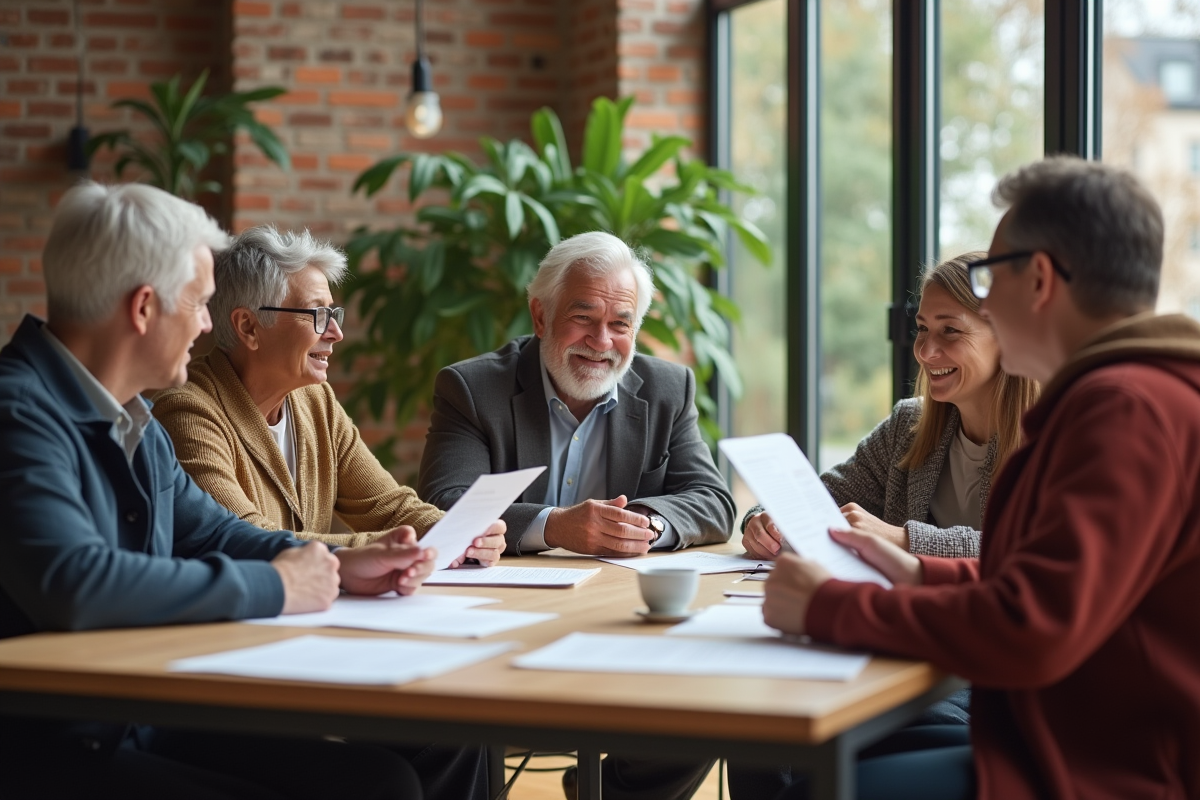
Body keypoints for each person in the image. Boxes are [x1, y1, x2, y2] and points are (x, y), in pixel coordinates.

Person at [0, 182, 488, 800]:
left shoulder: (132, 421)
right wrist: (279, 585)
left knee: (382, 781)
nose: (208, 324)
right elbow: (74, 582)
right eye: (198, 303)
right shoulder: (18, 412)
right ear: (144, 308)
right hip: (53, 741)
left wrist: (337, 563)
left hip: (140, 713)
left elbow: (211, 530)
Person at [758, 156, 1200, 800]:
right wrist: (922, 574)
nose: (985, 299)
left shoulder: (1123, 409)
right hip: (1064, 738)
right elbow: (1050, 585)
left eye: (992, 276)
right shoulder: (1136, 396)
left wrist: (829, 606)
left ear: (1039, 279)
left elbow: (1034, 629)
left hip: (1101, 769)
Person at [417, 230, 735, 800]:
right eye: (583, 318)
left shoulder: (668, 388)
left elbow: (713, 501)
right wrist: (556, 525)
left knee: (705, 703)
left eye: (620, 324)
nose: (601, 341)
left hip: (621, 617)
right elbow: (446, 505)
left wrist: (643, 525)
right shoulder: (473, 387)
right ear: (540, 316)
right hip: (500, 620)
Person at [152, 225, 504, 565]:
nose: (336, 332)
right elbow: (245, 539)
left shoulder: (315, 400)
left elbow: (387, 506)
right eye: (317, 314)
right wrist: (389, 547)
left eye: (333, 314)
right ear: (249, 327)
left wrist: (459, 531)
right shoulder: (188, 413)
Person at [742, 252, 1039, 564]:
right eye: (922, 328)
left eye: (950, 330)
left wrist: (902, 539)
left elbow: (1037, 548)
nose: (925, 351)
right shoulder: (908, 426)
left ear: (1006, 336)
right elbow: (816, 500)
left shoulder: (1052, 440)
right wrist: (764, 521)